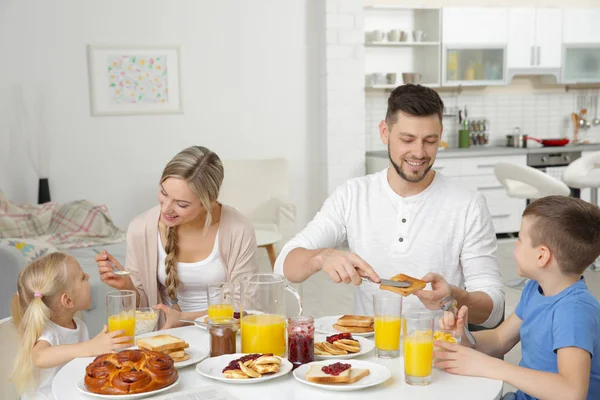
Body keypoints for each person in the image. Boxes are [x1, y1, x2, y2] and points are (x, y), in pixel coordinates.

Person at [274, 84, 504, 328]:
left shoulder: (468, 205)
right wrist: (321, 257)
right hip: (371, 350)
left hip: (439, 352)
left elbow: (494, 310)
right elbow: (285, 265)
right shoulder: (353, 195)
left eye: (430, 140)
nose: (419, 152)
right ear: (385, 132)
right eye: (407, 139)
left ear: (440, 134)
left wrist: (454, 297)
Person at [435, 196, 600, 400]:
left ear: (542, 256)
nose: (515, 245)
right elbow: (499, 340)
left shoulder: (573, 311)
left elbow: (571, 392)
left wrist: (491, 367)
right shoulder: (536, 288)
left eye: (520, 239)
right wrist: (464, 338)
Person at [96, 146, 258, 329]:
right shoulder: (141, 229)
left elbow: (242, 308)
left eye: (181, 204)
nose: (165, 209)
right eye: (164, 193)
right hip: (165, 338)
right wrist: (127, 285)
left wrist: (183, 318)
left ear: (209, 201)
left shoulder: (238, 230)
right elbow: (144, 308)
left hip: (222, 336)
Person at [11, 252, 131, 399]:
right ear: (68, 301)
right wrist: (90, 347)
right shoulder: (49, 331)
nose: (88, 276)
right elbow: (39, 356)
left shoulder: (78, 324)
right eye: (82, 277)